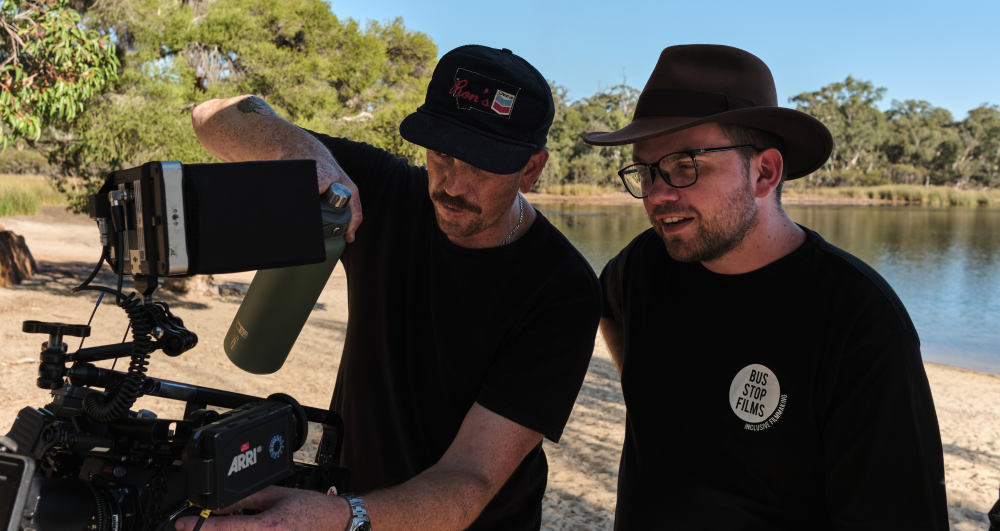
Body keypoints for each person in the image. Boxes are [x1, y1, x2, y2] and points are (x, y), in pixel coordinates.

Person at [178, 45, 602, 531]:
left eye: (483, 165)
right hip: (349, 506)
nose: (453, 185)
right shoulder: (385, 191)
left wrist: (342, 516)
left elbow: (470, 479)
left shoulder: (562, 287)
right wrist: (300, 153)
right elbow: (212, 116)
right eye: (442, 152)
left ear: (531, 169)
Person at [583, 44, 948, 530]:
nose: (657, 194)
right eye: (646, 171)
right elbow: (605, 307)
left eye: (685, 164)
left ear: (765, 172)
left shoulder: (859, 320)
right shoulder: (645, 264)